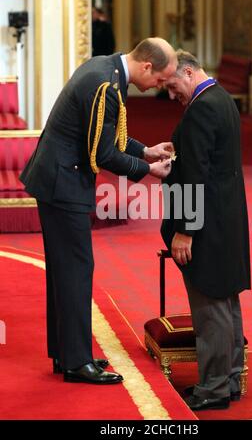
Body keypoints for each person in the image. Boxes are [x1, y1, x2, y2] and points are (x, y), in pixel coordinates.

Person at [20, 37, 177, 385]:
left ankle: (67, 353)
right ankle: (76, 362)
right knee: (75, 268)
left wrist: (145, 150)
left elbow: (106, 135)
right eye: (161, 80)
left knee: (65, 269)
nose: (160, 87)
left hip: (58, 178)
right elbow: (104, 154)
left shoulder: (106, 68)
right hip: (63, 183)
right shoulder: (106, 83)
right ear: (147, 66)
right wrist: (147, 169)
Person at [161, 50, 251, 410]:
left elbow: (195, 178)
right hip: (226, 218)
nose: (171, 95)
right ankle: (229, 379)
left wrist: (185, 230)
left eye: (172, 86)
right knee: (226, 300)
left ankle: (213, 389)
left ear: (187, 71)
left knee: (210, 304)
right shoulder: (222, 98)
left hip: (205, 225)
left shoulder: (200, 108)